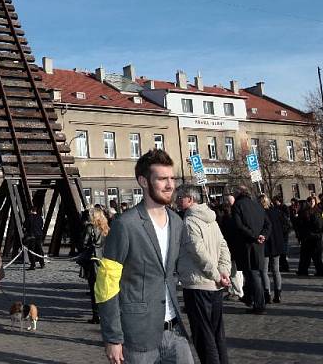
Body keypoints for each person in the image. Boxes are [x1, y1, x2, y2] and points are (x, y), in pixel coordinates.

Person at [96, 150, 193, 364]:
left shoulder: (177, 222)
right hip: (138, 337)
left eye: (172, 178)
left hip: (175, 330)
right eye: (161, 179)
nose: (170, 185)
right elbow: (105, 285)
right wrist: (112, 337)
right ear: (143, 181)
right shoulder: (125, 224)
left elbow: (179, 267)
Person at [175, 185, 231, 364]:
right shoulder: (211, 219)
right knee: (216, 334)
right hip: (214, 285)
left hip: (198, 284)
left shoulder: (190, 221)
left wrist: (218, 274)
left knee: (204, 336)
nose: (177, 200)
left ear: (190, 200)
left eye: (180, 197)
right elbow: (223, 247)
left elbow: (198, 252)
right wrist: (223, 273)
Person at [231, 188, 270, 314]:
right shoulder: (258, 205)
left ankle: (259, 305)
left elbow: (239, 225)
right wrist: (262, 235)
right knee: (251, 274)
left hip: (247, 245)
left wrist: (254, 236)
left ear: (238, 194)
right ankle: (250, 299)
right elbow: (268, 224)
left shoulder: (238, 205)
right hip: (258, 244)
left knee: (253, 275)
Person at [80, 206, 109, 324]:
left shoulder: (90, 227)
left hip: (93, 260)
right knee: (103, 289)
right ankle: (104, 313)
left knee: (93, 289)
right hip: (104, 260)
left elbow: (84, 243)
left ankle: (96, 315)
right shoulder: (106, 228)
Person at [261, 196, 284, 304]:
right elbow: (285, 226)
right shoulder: (276, 212)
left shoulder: (260, 214)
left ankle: (267, 294)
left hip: (265, 244)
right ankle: (278, 294)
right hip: (276, 243)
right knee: (276, 270)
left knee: (264, 271)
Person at [296, 197, 323, 276]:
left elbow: (301, 227)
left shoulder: (304, 214)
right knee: (315, 256)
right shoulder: (317, 211)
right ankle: (319, 271)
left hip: (308, 237)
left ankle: (303, 270)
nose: (297, 206)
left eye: (298, 205)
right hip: (316, 236)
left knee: (306, 256)